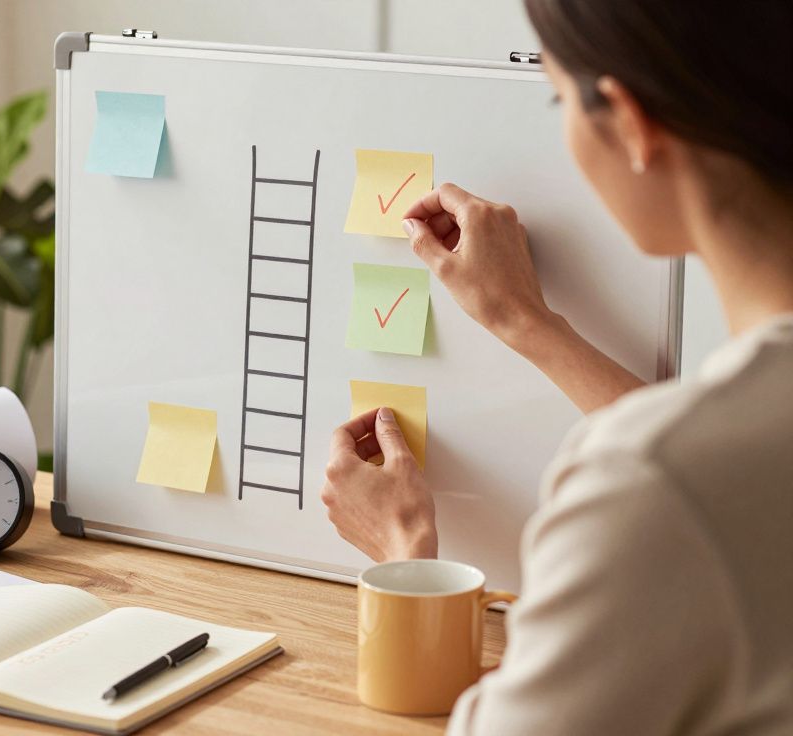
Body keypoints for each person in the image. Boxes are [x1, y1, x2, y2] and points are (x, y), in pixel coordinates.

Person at [320, 1, 793, 733]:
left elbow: (676, 479)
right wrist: (524, 321)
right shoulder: (705, 458)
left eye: (557, 98)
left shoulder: (647, 489)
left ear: (631, 124)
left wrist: (405, 554)